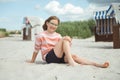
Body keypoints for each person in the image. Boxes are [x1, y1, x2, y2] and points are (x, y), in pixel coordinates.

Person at [27, 16, 109, 68]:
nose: (54, 26)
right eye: (52, 23)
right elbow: (36, 50)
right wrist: (32, 61)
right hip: (49, 57)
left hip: (59, 56)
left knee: (75, 56)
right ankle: (71, 62)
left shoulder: (58, 35)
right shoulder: (40, 35)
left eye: (56, 25)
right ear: (47, 23)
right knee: (64, 39)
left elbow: (65, 48)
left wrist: (68, 41)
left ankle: (96, 64)